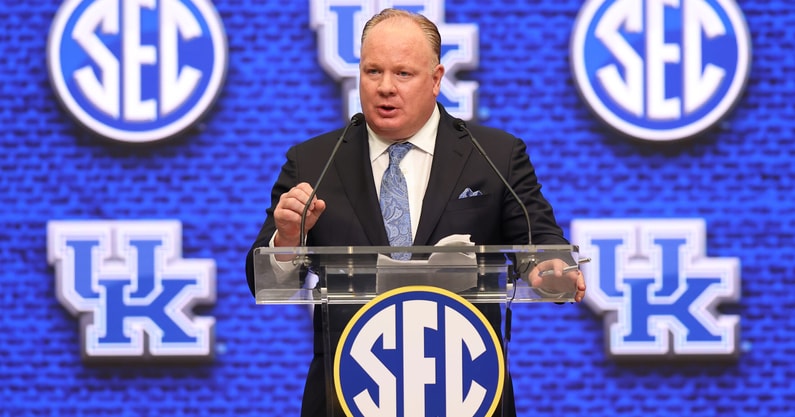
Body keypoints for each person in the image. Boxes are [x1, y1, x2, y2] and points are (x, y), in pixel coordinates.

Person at [245, 8, 586, 416]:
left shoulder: (494, 156)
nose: (385, 87)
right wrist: (287, 240)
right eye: (373, 72)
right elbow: (264, 279)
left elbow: (541, 238)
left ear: (437, 79)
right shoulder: (314, 162)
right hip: (348, 392)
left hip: (468, 392)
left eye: (403, 74)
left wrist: (548, 266)